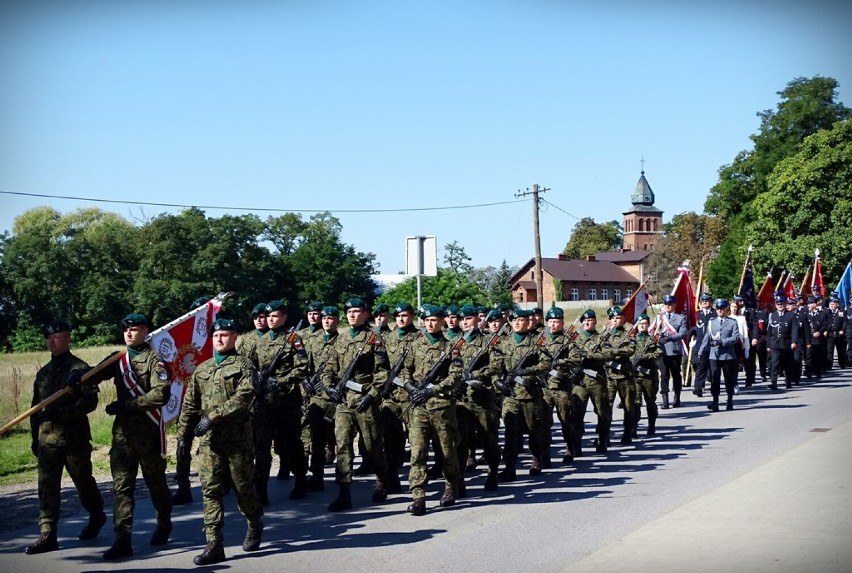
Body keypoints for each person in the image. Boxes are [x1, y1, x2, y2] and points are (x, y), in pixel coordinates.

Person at [176, 318, 264, 566]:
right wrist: (182, 435)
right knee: (210, 491)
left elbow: (243, 397)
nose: (220, 340)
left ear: (235, 337)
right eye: (216, 336)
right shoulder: (202, 369)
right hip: (210, 443)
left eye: (225, 335)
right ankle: (214, 544)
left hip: (237, 441)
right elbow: (190, 404)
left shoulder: (244, 366)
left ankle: (254, 521)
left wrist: (212, 418)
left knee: (243, 489)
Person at [87, 313, 173, 560]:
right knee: (122, 488)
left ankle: (164, 522)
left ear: (145, 330)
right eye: (126, 330)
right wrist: (79, 378)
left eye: (134, 329)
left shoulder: (155, 361)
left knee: (155, 484)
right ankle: (122, 539)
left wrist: (128, 405)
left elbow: (161, 395)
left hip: (148, 433)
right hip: (123, 437)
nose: (129, 333)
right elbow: (93, 375)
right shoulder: (118, 359)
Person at [25, 321, 106, 555]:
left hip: (74, 440)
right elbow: (35, 408)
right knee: (46, 487)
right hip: (47, 441)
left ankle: (96, 514)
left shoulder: (80, 369)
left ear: (68, 339)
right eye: (49, 338)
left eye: (57, 337)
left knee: (83, 482)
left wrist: (61, 412)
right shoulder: (43, 373)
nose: (52, 341)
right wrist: (34, 437)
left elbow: (90, 402)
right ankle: (48, 533)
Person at [321, 298, 391, 511]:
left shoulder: (374, 339)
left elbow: (382, 372)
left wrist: (371, 395)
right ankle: (344, 492)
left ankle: (383, 480)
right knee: (342, 445)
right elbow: (328, 369)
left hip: (364, 399)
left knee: (372, 444)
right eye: (349, 311)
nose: (352, 315)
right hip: (343, 401)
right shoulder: (339, 341)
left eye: (357, 311)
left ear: (365, 314)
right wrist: (328, 386)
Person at [401, 304, 463, 515]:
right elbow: (405, 370)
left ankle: (450, 486)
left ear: (442, 321)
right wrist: (410, 388)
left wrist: (432, 390)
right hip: (419, 407)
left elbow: (455, 377)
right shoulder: (415, 345)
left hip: (441, 407)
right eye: (426, 320)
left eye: (434, 320)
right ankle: (418, 496)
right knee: (417, 452)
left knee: (447, 451)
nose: (430, 323)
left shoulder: (451, 348)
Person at [249, 300, 309, 504]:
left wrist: (280, 381)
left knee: (291, 443)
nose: (270, 320)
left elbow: (302, 368)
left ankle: (300, 479)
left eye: (274, 316)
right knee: (261, 446)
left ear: (283, 318)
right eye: (268, 316)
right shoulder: (259, 341)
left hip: (287, 401)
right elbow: (250, 366)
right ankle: (261, 488)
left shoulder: (293, 340)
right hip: (264, 403)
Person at [493, 308, 549, 479]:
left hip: (530, 393)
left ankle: (537, 458)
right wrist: (498, 381)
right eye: (514, 320)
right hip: (510, 395)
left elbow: (546, 363)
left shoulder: (537, 342)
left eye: (521, 320)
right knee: (510, 432)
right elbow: (495, 366)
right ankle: (509, 467)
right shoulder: (504, 343)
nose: (517, 323)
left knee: (534, 430)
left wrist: (527, 371)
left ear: (528, 322)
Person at [454, 303, 502, 490]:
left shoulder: (489, 341)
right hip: (461, 400)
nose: (464, 323)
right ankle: (459, 480)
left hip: (482, 399)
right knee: (460, 442)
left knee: (489, 439)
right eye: (462, 319)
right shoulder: (454, 343)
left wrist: (473, 375)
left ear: (477, 319)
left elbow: (497, 365)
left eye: (468, 319)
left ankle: (492, 473)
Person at [379, 301, 420, 492]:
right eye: (398, 316)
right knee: (390, 438)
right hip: (391, 396)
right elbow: (379, 365)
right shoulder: (386, 338)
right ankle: (392, 477)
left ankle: (417, 479)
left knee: (416, 439)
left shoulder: (420, 337)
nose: (401, 319)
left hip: (412, 397)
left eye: (405, 315)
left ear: (411, 316)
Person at [304, 305, 340, 491]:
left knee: (340, 437)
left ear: (337, 321)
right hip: (318, 396)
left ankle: (343, 477)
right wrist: (306, 382)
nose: (326, 321)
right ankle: (317, 475)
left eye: (331, 318)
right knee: (316, 437)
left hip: (337, 396)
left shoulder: (342, 341)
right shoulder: (314, 341)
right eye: (324, 318)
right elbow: (305, 366)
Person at [540, 307, 578, 464]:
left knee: (566, 421)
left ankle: (570, 448)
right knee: (543, 422)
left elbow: (576, 358)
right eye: (550, 321)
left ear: (562, 322)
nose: (553, 325)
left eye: (556, 322)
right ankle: (545, 453)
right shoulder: (541, 339)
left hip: (561, 387)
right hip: (544, 387)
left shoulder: (568, 340)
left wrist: (560, 362)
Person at [697, 299, 741, 411]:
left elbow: (736, 338)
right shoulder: (711, 322)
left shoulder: (732, 322)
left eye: (722, 308)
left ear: (727, 309)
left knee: (729, 379)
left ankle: (729, 400)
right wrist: (700, 351)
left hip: (728, 355)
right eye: (718, 308)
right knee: (714, 379)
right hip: (714, 355)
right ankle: (715, 402)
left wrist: (722, 341)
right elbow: (707, 337)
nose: (720, 310)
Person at [604, 306, 637, 444]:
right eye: (613, 318)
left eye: (618, 318)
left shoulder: (629, 334)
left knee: (628, 406)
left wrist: (612, 352)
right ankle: (604, 435)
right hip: (610, 377)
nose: (615, 321)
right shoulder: (605, 335)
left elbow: (630, 350)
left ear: (623, 319)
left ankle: (628, 433)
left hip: (625, 376)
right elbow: (600, 350)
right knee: (606, 407)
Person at [632, 314, 662, 436]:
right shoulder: (631, 340)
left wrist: (645, 357)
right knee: (636, 402)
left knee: (650, 402)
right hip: (636, 376)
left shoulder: (653, 339)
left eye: (645, 323)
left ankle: (651, 425)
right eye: (640, 323)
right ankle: (633, 427)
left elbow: (659, 353)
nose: (642, 326)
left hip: (649, 376)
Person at [657, 295, 688, 408]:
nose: (668, 306)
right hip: (662, 351)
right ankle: (665, 399)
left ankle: (677, 397)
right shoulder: (660, 318)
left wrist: (671, 338)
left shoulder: (680, 318)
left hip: (674, 350)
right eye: (666, 304)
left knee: (675, 374)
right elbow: (653, 331)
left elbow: (683, 333)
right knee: (664, 375)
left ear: (674, 305)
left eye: (670, 304)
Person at [767, 295, 799, 391]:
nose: (780, 306)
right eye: (778, 304)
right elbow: (769, 331)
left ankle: (788, 380)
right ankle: (774, 382)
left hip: (786, 342)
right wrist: (768, 345)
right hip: (775, 343)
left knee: (787, 363)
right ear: (775, 305)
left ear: (785, 304)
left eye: (782, 304)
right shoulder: (772, 315)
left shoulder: (791, 315)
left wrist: (794, 341)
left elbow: (794, 329)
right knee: (775, 363)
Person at [690, 294, 714, 397]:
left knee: (712, 368)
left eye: (707, 301)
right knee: (696, 364)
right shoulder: (696, 314)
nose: (705, 302)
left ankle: (706, 387)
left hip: (712, 345)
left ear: (711, 302)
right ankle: (699, 386)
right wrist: (690, 338)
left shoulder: (715, 314)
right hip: (699, 344)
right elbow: (691, 328)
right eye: (703, 301)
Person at [805, 295, 830, 379]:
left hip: (818, 338)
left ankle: (818, 371)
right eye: (808, 303)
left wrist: (820, 332)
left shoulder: (822, 314)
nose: (809, 305)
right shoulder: (805, 314)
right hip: (808, 338)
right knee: (808, 355)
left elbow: (824, 324)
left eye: (811, 303)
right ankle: (808, 371)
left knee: (818, 355)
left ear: (815, 304)